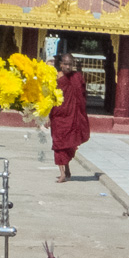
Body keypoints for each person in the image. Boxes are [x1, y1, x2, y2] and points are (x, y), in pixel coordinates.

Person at [50, 51, 90, 184]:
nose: (68, 67)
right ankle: (62, 173)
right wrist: (48, 117)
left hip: (72, 116)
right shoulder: (56, 78)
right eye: (65, 64)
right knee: (59, 145)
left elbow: (82, 95)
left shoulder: (77, 77)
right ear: (61, 64)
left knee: (68, 145)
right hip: (58, 116)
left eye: (70, 64)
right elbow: (50, 98)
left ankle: (66, 170)